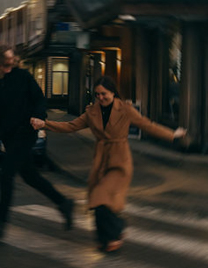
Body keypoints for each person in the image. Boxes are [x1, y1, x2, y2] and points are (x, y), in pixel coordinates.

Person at [31, 76, 186, 253]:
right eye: (97, 95)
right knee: (97, 199)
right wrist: (45, 124)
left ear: (112, 92)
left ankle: (116, 230)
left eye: (104, 94)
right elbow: (71, 126)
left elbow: (147, 125)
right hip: (101, 160)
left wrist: (172, 134)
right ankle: (106, 238)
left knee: (101, 195)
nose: (101, 98)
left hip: (119, 161)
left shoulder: (125, 109)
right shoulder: (92, 112)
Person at [0, 44, 74, 240]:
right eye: (5, 64)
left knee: (5, 174)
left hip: (26, 132)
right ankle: (63, 202)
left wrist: (38, 116)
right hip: (8, 136)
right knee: (30, 176)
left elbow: (39, 100)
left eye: (12, 63)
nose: (9, 67)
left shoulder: (23, 76)